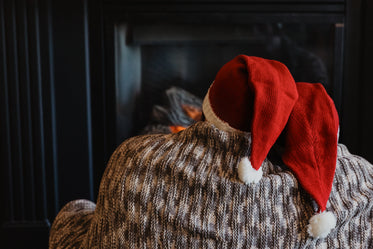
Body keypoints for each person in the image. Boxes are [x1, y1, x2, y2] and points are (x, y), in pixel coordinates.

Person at [49, 55, 373, 248]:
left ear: (208, 108)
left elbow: (73, 236)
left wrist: (75, 213)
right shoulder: (360, 184)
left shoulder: (133, 160)